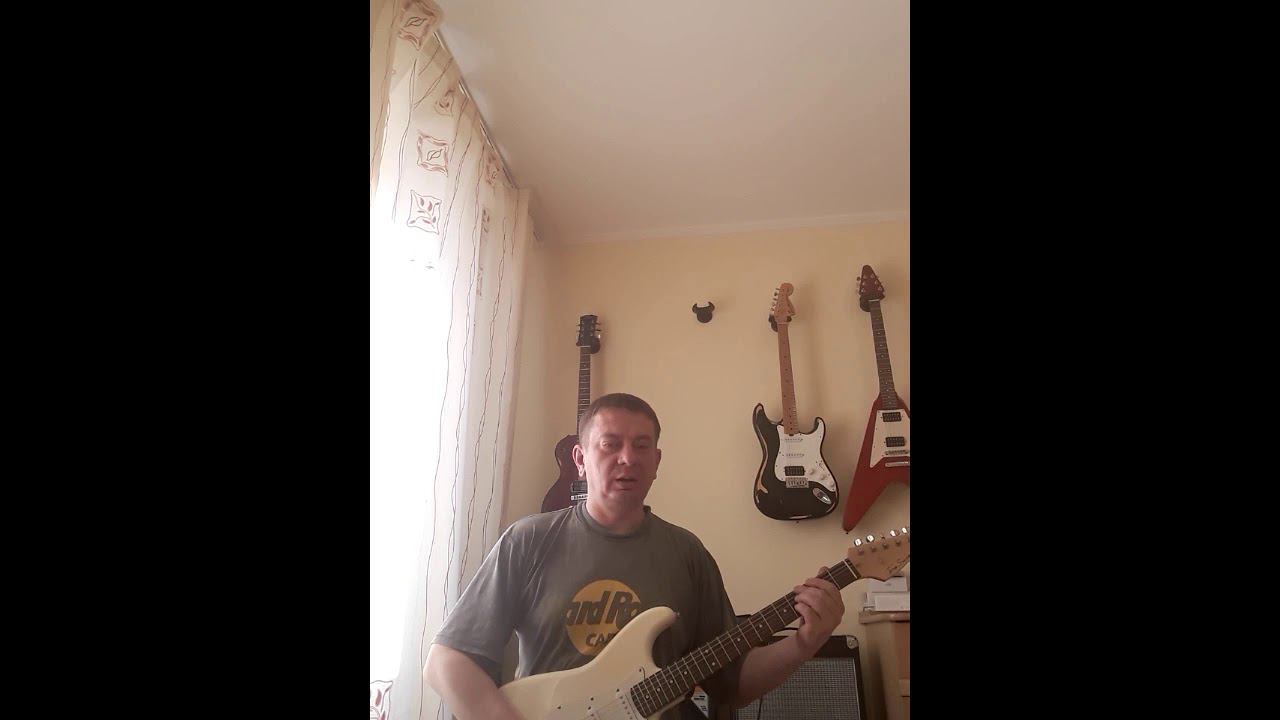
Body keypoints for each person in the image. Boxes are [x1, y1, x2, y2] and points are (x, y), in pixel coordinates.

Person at [424, 393, 845, 719]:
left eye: (642, 446)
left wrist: (803, 643)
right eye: (610, 445)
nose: (627, 458)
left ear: (656, 461)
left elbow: (731, 686)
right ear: (580, 459)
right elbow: (447, 660)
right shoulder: (528, 541)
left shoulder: (687, 553)